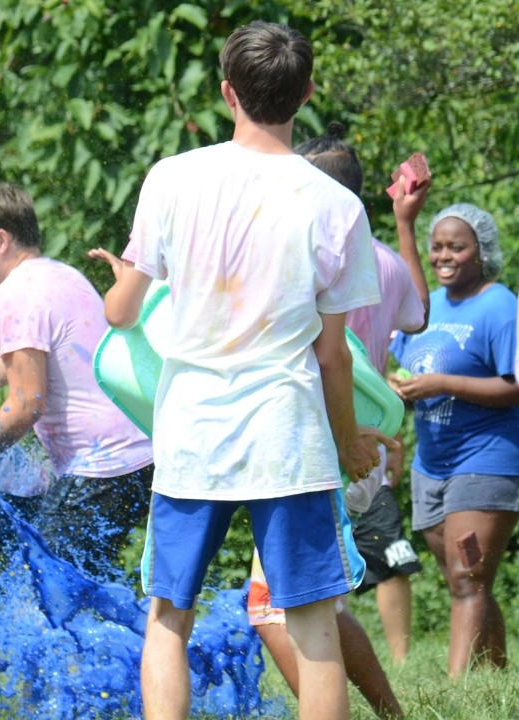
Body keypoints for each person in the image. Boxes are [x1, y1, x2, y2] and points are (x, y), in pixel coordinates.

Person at [90, 21, 394, 719]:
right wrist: (348, 441)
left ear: (227, 92)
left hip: (193, 433)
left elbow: (121, 314)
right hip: (287, 434)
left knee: (168, 616)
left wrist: (119, 284)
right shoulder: (338, 207)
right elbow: (332, 353)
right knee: (313, 618)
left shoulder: (172, 178)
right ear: (306, 93)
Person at [0, 183, 153, 580]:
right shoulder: (60, 275)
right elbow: (25, 354)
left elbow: (27, 404)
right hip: (140, 458)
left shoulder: (14, 294)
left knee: (45, 595)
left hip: (100, 468)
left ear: (0, 240)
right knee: (79, 591)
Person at [299, 123, 429, 664]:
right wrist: (405, 226)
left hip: (320, 438)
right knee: (322, 594)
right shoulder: (387, 262)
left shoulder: (314, 258)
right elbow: (417, 316)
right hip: (369, 445)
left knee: (305, 597)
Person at [389, 202, 519, 677]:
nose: (445, 256)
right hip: (431, 463)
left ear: (480, 251)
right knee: (467, 582)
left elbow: (514, 386)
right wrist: (392, 387)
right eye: (438, 246)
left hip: (487, 459)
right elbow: (397, 364)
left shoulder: (500, 306)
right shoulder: (428, 307)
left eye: (457, 247)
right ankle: (500, 678)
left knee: (468, 578)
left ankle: (455, 691)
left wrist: (444, 385)